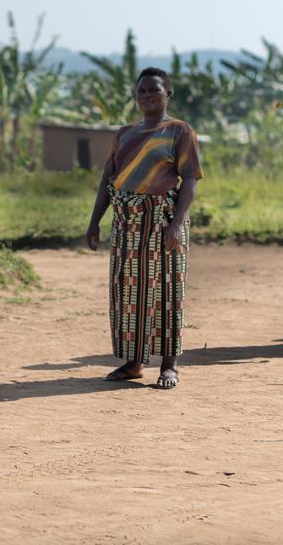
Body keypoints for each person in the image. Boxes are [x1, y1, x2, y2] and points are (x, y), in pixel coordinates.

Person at [84, 67, 202, 389]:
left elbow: (190, 180)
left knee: (167, 291)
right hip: (126, 224)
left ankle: (169, 365)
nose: (148, 96)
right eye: (142, 91)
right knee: (129, 293)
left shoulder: (180, 131)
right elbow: (108, 180)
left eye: (155, 90)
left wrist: (176, 224)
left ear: (168, 94)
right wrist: (95, 221)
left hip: (163, 221)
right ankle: (133, 362)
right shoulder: (124, 134)